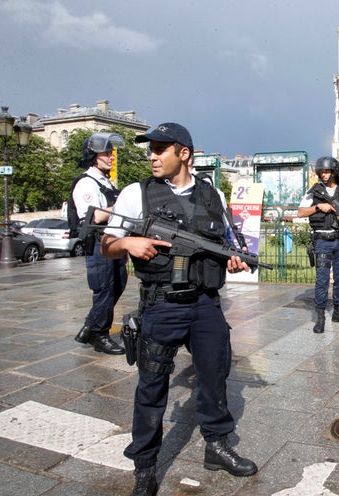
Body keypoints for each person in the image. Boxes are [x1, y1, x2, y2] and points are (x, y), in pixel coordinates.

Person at [99, 123, 257, 495]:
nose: (151, 156)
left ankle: (217, 445)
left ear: (184, 153)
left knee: (215, 377)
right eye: (150, 150)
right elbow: (107, 244)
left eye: (160, 149)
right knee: (151, 386)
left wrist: (234, 261)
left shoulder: (213, 193)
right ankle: (145, 466)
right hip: (162, 304)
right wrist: (129, 244)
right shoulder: (136, 194)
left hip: (205, 305)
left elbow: (225, 244)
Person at [72, 132, 128, 355]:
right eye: (106, 153)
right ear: (94, 156)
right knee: (104, 288)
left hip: (112, 241)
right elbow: (94, 216)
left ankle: (89, 326)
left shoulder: (104, 181)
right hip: (98, 243)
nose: (111, 157)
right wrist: (122, 206)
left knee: (118, 283)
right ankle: (99, 334)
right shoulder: (86, 183)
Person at [297, 156, 339, 333]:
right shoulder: (314, 191)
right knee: (322, 280)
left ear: (335, 172)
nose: (324, 174)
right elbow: (300, 212)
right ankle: (320, 317)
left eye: (327, 171)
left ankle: (338, 312)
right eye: (321, 171)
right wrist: (319, 207)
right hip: (322, 241)